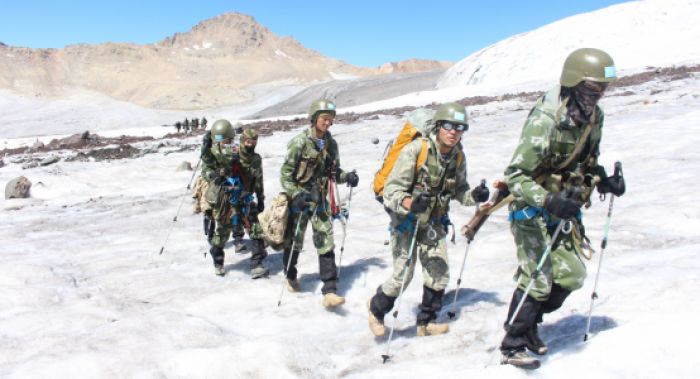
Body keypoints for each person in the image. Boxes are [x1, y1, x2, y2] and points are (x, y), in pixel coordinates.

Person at [498, 48, 626, 369]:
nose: (597, 97)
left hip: (562, 207)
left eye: (603, 89)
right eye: (592, 89)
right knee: (538, 278)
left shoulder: (594, 118)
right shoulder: (545, 121)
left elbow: (588, 161)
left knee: (572, 275)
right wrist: (547, 199)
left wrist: (604, 182)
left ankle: (528, 326)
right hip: (530, 207)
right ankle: (513, 342)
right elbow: (515, 175)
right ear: (573, 84)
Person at [367, 102, 489, 337]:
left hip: (435, 221)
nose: (454, 132)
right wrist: (410, 203)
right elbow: (392, 191)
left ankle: (427, 321)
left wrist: (474, 196)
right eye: (448, 126)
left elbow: (459, 190)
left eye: (460, 127)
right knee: (403, 274)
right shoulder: (416, 150)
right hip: (407, 221)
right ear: (438, 126)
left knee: (438, 271)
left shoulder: (458, 157)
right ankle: (376, 310)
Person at [279, 99, 359, 308]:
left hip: (321, 199)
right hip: (301, 200)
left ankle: (330, 290)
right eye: (325, 119)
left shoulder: (331, 144)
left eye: (331, 120)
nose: (328, 123)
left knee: (326, 240)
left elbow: (334, 172)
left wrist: (347, 176)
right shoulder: (299, 143)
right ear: (314, 119)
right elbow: (285, 175)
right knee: (294, 240)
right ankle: (290, 275)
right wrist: (296, 194)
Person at [200, 119, 269, 278]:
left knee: (256, 230)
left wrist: (260, 197)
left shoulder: (253, 158)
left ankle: (256, 265)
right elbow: (207, 164)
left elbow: (258, 178)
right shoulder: (220, 153)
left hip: (245, 198)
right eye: (247, 142)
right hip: (227, 200)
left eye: (253, 142)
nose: (249, 145)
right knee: (222, 233)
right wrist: (207, 151)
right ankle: (218, 261)